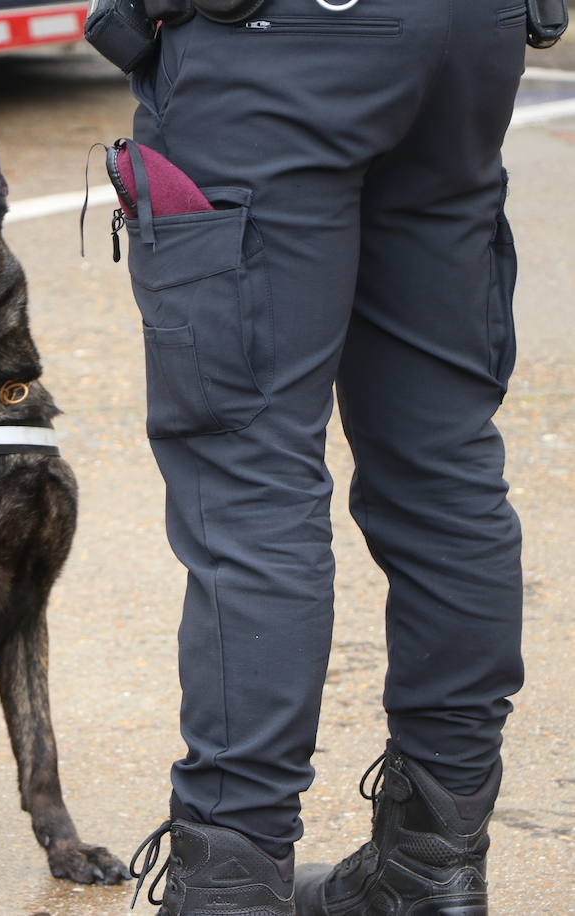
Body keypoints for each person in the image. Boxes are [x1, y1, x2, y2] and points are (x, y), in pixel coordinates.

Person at [109, 1, 557, 913]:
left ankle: (232, 889)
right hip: (470, 33)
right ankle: (432, 870)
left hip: (281, 41)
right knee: (443, 461)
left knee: (250, 472)